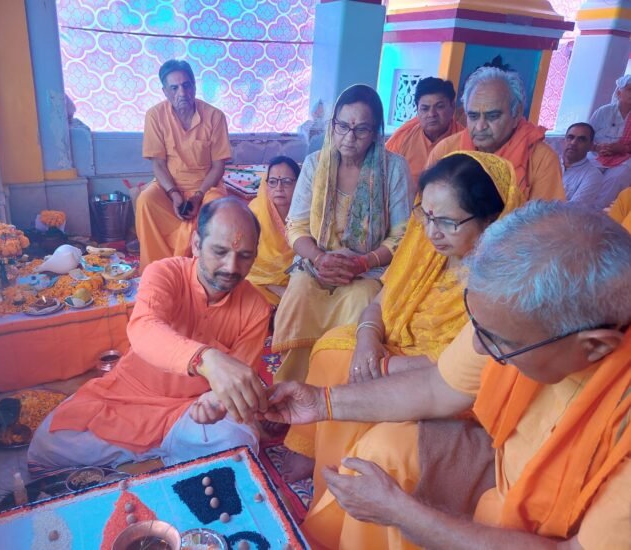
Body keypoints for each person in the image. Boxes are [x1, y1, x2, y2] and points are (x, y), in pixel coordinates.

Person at [265, 201, 631, 549]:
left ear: (595, 346)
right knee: (385, 451)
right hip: (501, 464)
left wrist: (402, 514)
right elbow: (438, 386)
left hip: (566, 527)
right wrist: (322, 402)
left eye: (500, 343)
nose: (479, 349)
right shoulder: (516, 318)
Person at [281, 152, 524, 484]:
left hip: (446, 381)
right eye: (426, 215)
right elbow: (379, 303)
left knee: (351, 371)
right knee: (332, 347)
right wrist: (367, 341)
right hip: (392, 350)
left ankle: (343, 466)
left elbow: (462, 370)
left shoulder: (500, 284)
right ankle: (319, 452)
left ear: (491, 220)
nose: (432, 232)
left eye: (448, 222)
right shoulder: (425, 247)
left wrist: (382, 366)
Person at [28, 198, 271, 470]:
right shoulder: (165, 273)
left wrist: (215, 403)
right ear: (196, 244)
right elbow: (144, 328)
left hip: (188, 412)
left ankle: (142, 465)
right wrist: (206, 359)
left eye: (245, 256)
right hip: (128, 396)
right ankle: (166, 464)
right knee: (47, 444)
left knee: (239, 439)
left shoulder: (256, 308)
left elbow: (236, 384)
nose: (232, 267)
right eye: (220, 251)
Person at [271, 84, 415, 383]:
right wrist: (320, 258)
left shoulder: (394, 169)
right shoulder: (314, 165)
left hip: (369, 269)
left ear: (375, 132)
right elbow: (296, 226)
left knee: (362, 299)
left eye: (361, 129)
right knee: (299, 293)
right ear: (332, 125)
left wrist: (363, 262)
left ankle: (334, 385)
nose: (349, 137)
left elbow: (401, 236)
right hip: (316, 264)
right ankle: (292, 383)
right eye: (343, 127)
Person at [136, 59, 232, 271]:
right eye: (174, 88)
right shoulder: (155, 116)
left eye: (186, 85)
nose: (182, 93)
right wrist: (174, 194)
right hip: (169, 187)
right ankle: (157, 271)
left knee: (214, 208)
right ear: (165, 92)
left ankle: (201, 273)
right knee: (145, 200)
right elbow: (158, 164)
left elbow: (218, 166)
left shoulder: (215, 116)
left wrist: (198, 196)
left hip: (207, 188)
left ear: (194, 86)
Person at [427, 66, 564, 201]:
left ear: (516, 114)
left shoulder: (541, 160)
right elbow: (424, 209)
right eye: (473, 116)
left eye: (492, 116)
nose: (480, 127)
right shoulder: (446, 150)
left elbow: (547, 214)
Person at [386, 77, 463, 183]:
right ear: (417, 110)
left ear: (452, 107)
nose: (432, 114)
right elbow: (384, 175)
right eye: (425, 108)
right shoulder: (404, 137)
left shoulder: (464, 140)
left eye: (439, 107)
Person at [246, 156, 300, 305]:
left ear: (299, 183)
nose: (279, 188)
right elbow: (244, 263)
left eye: (287, 181)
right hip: (258, 282)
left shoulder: (307, 213)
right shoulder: (255, 212)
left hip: (297, 281)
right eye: (273, 182)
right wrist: (273, 287)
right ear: (266, 184)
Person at [589, 74, 631, 206]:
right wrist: (597, 148)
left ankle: (597, 210)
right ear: (619, 92)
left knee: (619, 175)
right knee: (589, 174)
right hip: (596, 155)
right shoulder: (603, 112)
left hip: (624, 158)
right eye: (630, 89)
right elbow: (586, 137)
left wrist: (623, 148)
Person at [561, 123, 606, 207]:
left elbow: (572, 209)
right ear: (564, 141)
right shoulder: (549, 162)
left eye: (581, 139)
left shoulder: (593, 175)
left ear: (590, 146)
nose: (573, 143)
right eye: (570, 137)